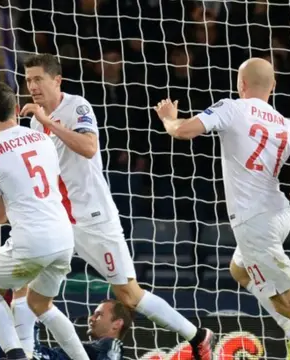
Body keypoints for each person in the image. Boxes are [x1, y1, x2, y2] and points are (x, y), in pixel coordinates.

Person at [154, 57, 290, 360]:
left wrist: (168, 118)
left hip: (254, 222)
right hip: (280, 215)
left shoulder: (231, 107)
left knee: (288, 302)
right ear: (274, 86)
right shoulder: (288, 125)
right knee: (239, 270)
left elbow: (184, 131)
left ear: (241, 84)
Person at [18, 53, 214, 360]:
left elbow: (89, 147)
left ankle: (198, 336)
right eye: (28, 80)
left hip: (94, 219)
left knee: (129, 295)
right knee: (34, 299)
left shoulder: (77, 106)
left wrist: (48, 124)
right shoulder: (34, 121)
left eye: (38, 79)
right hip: (60, 222)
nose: (32, 86)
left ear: (56, 80)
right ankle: (28, 354)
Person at [0, 82, 88, 360]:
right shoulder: (43, 139)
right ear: (16, 109)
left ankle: (17, 356)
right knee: (41, 304)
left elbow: (0, 216)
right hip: (63, 237)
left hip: (31, 240)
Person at [0, 297, 130, 360]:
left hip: (26, 355)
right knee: (9, 316)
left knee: (23, 293)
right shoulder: (89, 349)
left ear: (117, 323)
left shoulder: (111, 348)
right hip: (21, 354)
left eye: (99, 314)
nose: (91, 317)